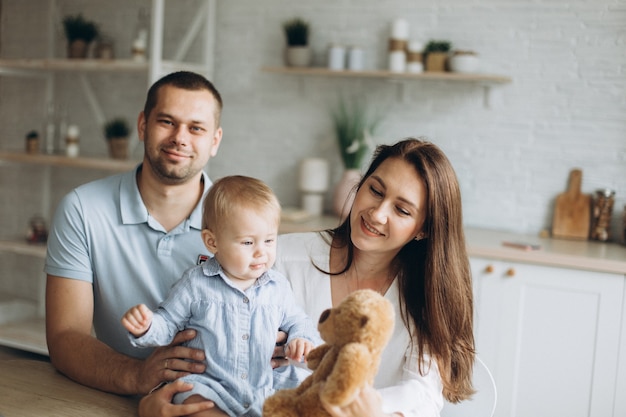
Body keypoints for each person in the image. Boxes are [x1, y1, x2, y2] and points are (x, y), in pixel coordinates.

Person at [140, 137, 475, 417]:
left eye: (402, 210)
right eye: (375, 190)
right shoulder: (277, 257)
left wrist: (370, 404)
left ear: (424, 230)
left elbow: (425, 395)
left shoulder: (424, 296)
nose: (377, 213)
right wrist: (159, 396)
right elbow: (199, 332)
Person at [45, 71, 223, 415]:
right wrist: (138, 375)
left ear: (214, 140)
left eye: (196, 128)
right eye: (167, 122)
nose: (179, 138)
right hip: (112, 392)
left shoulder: (243, 219)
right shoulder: (82, 208)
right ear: (143, 125)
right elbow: (65, 336)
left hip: (216, 399)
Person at [122, 175, 320, 417]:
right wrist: (147, 326)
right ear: (212, 242)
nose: (261, 252)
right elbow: (168, 324)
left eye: (269, 240)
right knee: (192, 401)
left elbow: (298, 321)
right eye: (248, 242)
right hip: (212, 386)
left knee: (309, 394)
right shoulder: (196, 283)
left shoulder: (277, 286)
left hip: (267, 385)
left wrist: (300, 339)